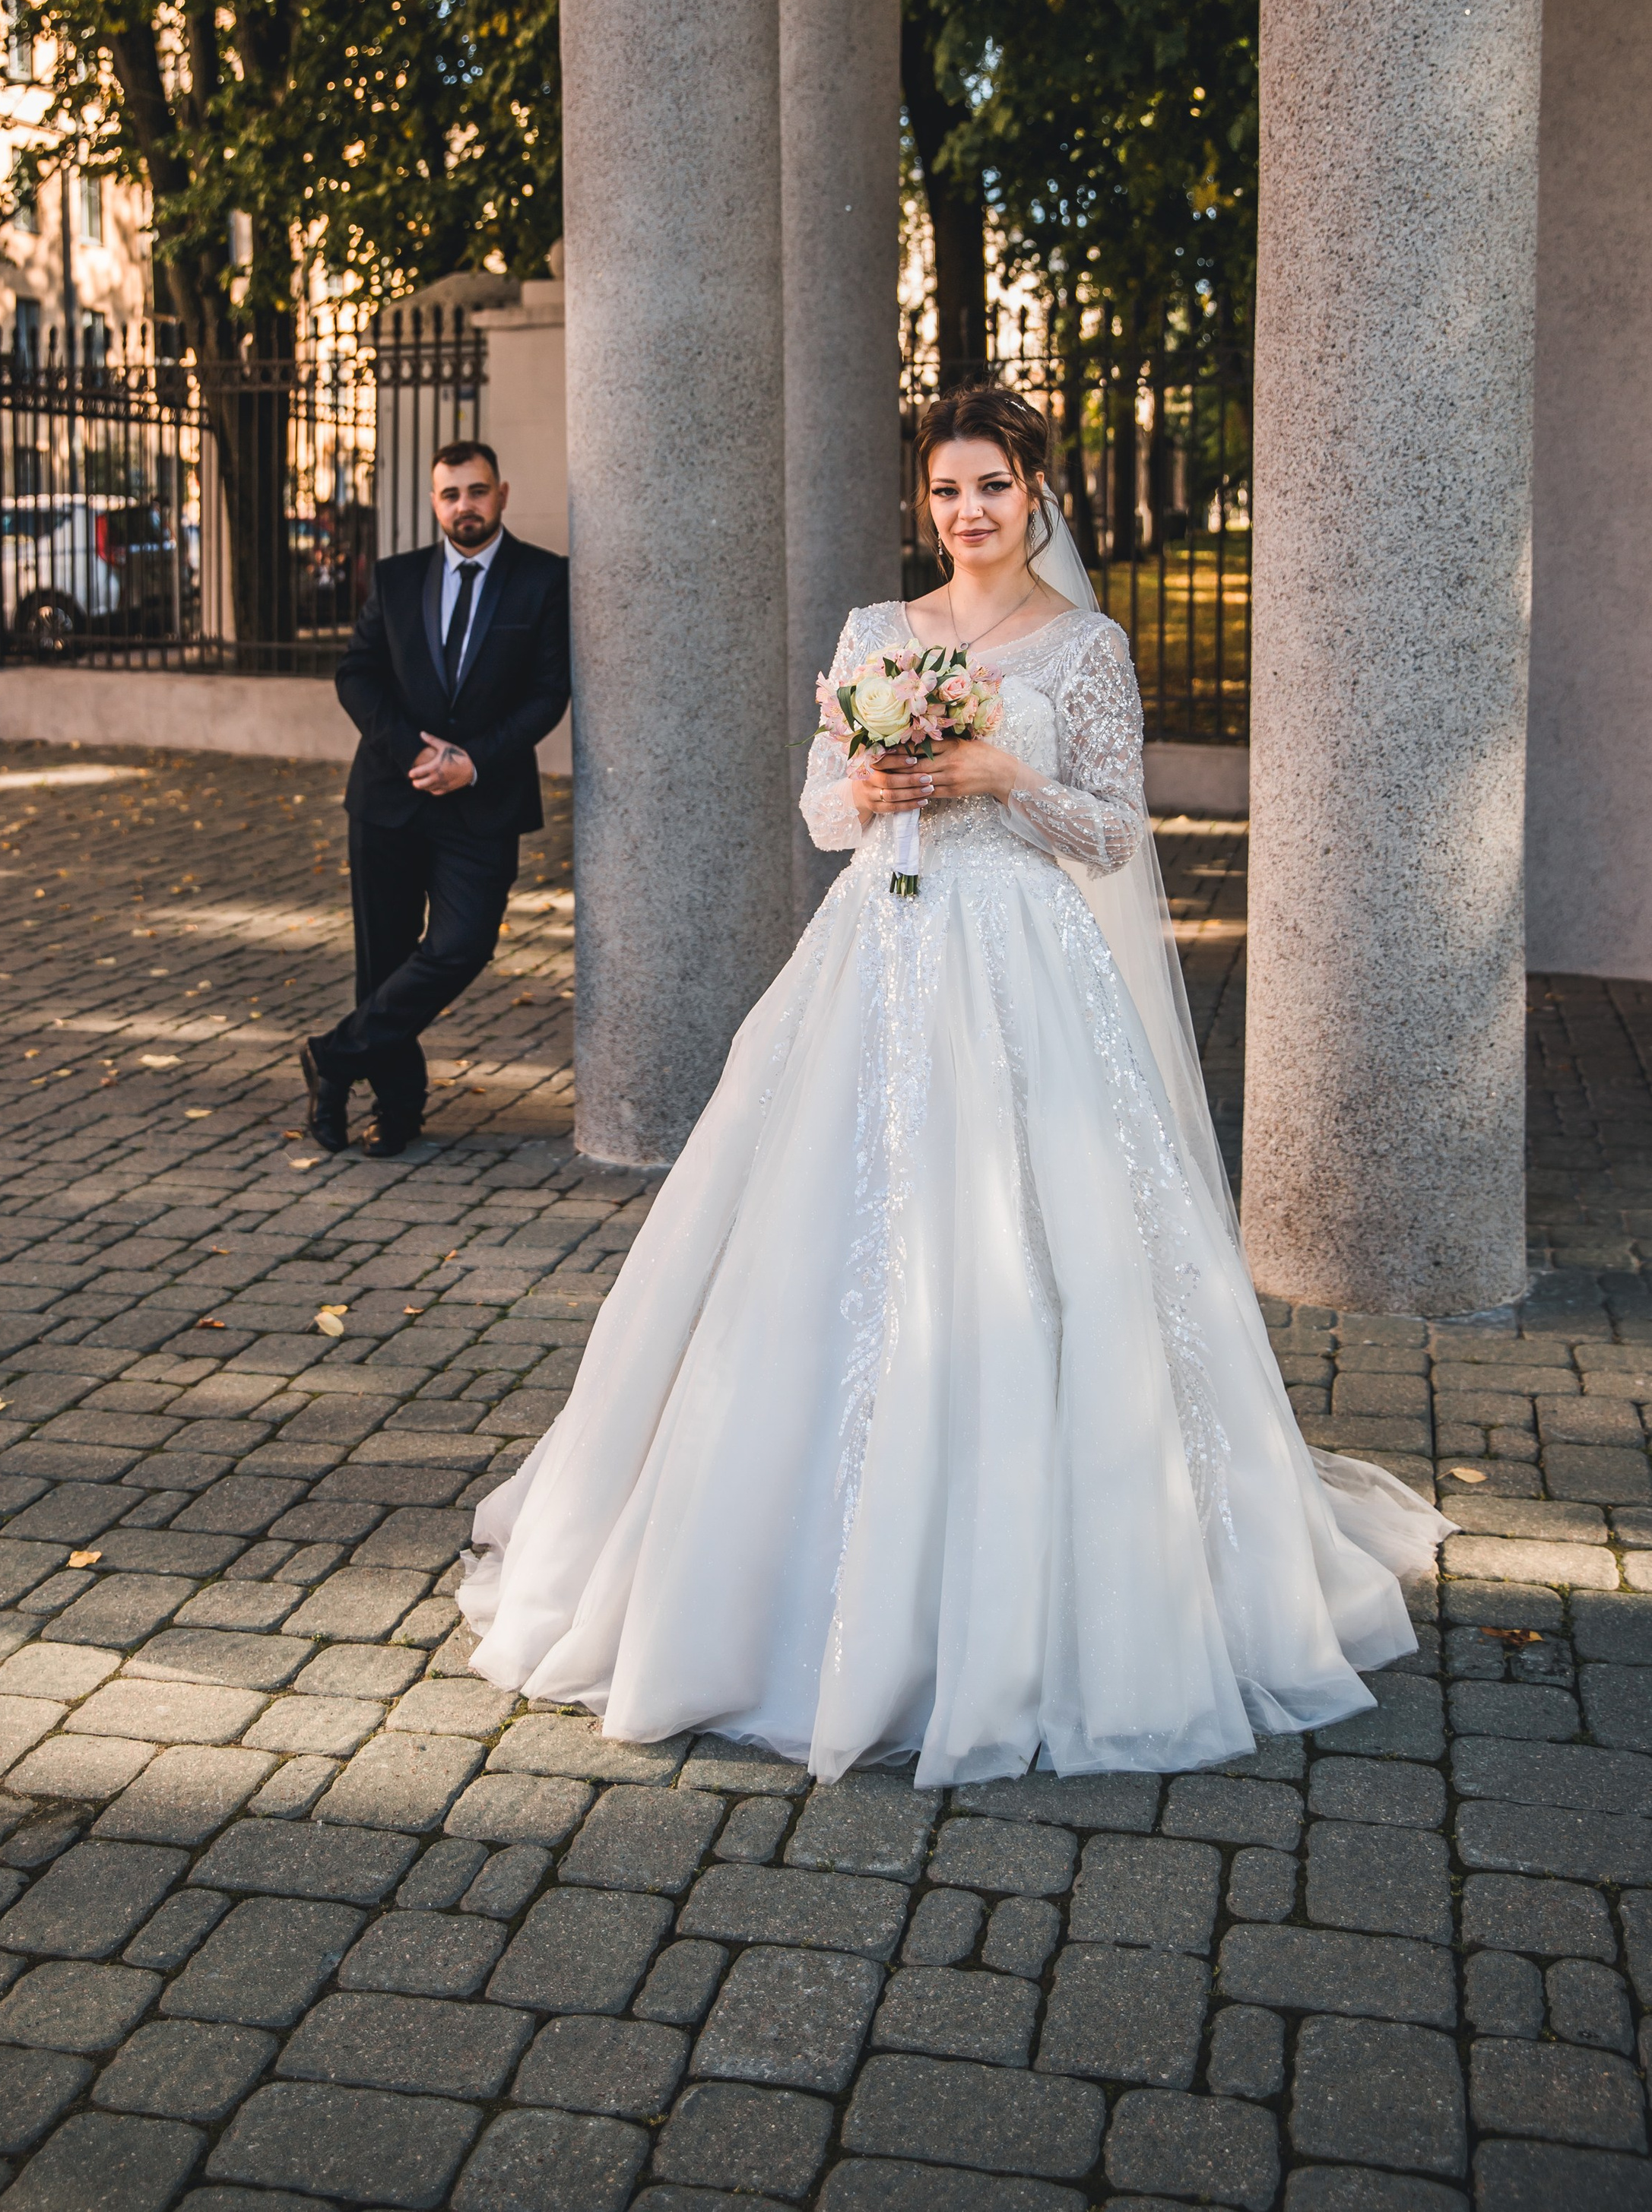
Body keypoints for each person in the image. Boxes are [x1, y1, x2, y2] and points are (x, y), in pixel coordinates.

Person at [459, 385, 1448, 1785]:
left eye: (991, 485)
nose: (967, 512)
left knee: (1053, 1253)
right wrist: (865, 794)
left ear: (1037, 491)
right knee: (821, 1239)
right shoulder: (878, 635)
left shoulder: (1087, 648)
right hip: (876, 957)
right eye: (945, 491)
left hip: (1026, 969)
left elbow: (1113, 833)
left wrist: (995, 773)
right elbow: (816, 807)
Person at [301, 440, 569, 1158]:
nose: (465, 506)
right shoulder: (394, 580)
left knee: (462, 944)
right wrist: (416, 753)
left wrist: (473, 761)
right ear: (433, 502)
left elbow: (550, 692)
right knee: (382, 963)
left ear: (502, 494)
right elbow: (357, 674)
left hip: (481, 804)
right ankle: (396, 1109)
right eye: (450, 495)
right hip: (389, 799)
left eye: (477, 491)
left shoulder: (544, 580)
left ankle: (334, 1056)